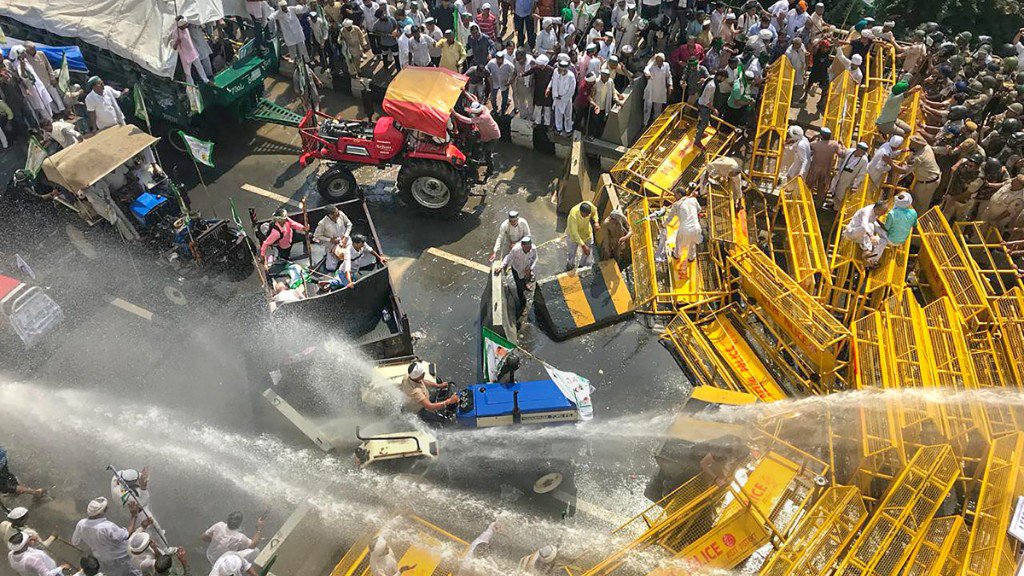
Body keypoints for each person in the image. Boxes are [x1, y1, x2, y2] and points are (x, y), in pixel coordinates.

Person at [72, 497, 147, 576]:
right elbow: (127, 535)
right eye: (105, 508)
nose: (107, 508)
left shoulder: (81, 524)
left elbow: (75, 542)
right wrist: (134, 515)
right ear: (100, 513)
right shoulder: (107, 527)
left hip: (103, 558)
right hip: (122, 556)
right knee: (135, 571)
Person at [893, 135, 942, 213]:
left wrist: (890, 163)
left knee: (921, 205)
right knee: (915, 197)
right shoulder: (926, 147)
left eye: (912, 143)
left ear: (916, 146)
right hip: (930, 177)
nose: (909, 144)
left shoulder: (918, 158)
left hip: (928, 183)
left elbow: (904, 171)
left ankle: (917, 220)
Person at [667, 186, 703, 279]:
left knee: (679, 244)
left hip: (685, 229)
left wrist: (663, 225)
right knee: (692, 243)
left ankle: (676, 255)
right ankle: (691, 258)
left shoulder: (676, 205)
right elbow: (699, 210)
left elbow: (669, 218)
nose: (674, 197)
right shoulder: (693, 200)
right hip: (696, 227)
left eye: (675, 195)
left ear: (679, 194)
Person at [842, 200, 888, 268]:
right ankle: (866, 251)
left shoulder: (875, 211)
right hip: (852, 233)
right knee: (870, 226)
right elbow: (864, 225)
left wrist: (883, 226)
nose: (884, 214)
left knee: (884, 241)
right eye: (884, 212)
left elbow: (874, 220)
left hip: (863, 237)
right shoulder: (866, 211)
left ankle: (871, 260)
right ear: (878, 210)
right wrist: (871, 236)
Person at [23, 43, 64, 115]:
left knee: (56, 96)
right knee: (48, 100)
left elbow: (48, 66)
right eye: (32, 49)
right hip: (38, 84)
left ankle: (63, 110)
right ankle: (57, 113)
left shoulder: (40, 54)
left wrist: (53, 78)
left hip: (48, 80)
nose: (34, 50)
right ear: (27, 50)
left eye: (34, 48)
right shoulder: (25, 59)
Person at [499, 237, 537, 311]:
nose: (529, 250)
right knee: (520, 289)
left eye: (530, 247)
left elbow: (535, 259)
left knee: (526, 280)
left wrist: (530, 268)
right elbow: (508, 257)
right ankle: (523, 305)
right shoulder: (515, 250)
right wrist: (501, 266)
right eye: (527, 248)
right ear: (522, 246)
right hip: (517, 270)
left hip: (527, 269)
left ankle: (526, 286)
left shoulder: (533, 249)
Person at [828, 142, 870, 209]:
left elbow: (861, 174)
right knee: (835, 189)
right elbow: (841, 159)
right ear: (857, 149)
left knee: (842, 194)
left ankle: (837, 209)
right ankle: (834, 204)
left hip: (850, 178)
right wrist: (838, 168)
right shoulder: (849, 151)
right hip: (841, 174)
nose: (861, 154)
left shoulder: (864, 160)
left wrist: (855, 185)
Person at [168, 17, 210, 85]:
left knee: (199, 67)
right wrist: (177, 42)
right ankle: (191, 85)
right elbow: (174, 47)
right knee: (188, 73)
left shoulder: (186, 30)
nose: (186, 26)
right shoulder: (176, 33)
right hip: (185, 56)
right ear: (180, 26)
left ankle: (206, 80)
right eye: (184, 25)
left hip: (193, 52)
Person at [806, 128, 843, 198]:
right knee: (822, 188)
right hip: (826, 170)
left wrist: (814, 137)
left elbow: (807, 147)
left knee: (809, 185)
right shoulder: (834, 144)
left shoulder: (815, 144)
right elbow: (841, 154)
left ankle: (805, 198)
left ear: (821, 136)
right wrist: (842, 145)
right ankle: (819, 203)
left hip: (814, 169)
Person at [565, 201, 600, 270]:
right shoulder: (573, 215)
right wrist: (583, 246)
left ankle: (582, 266)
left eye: (588, 214)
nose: (587, 216)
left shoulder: (588, 205)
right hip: (573, 236)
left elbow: (595, 211)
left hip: (587, 233)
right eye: (585, 215)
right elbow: (575, 233)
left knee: (587, 252)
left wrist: (596, 221)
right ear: (581, 211)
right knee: (572, 253)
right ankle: (570, 265)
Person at [694, 69, 723, 149]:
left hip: (701, 102)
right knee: (704, 123)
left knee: (701, 120)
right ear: (720, 76)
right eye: (723, 78)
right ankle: (697, 141)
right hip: (704, 106)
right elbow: (706, 100)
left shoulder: (712, 77)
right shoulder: (712, 86)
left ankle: (700, 133)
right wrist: (714, 109)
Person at [547, 60, 576, 136]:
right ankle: (558, 129)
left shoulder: (571, 76)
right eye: (559, 69)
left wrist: (563, 98)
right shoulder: (556, 72)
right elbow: (553, 81)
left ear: (565, 69)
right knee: (558, 115)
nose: (559, 70)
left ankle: (568, 130)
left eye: (560, 69)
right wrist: (554, 93)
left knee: (567, 115)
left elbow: (571, 90)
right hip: (557, 98)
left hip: (566, 99)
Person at [524, 55, 553, 127]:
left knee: (547, 108)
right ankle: (537, 121)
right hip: (538, 90)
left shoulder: (551, 70)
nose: (537, 65)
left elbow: (553, 79)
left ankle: (547, 123)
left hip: (547, 92)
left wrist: (549, 88)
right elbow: (529, 71)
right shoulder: (536, 68)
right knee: (538, 106)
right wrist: (523, 74)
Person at [643, 53, 672, 124]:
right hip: (651, 91)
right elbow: (646, 69)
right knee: (647, 108)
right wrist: (647, 74)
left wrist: (670, 85)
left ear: (663, 61)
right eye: (657, 60)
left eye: (660, 61)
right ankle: (645, 123)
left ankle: (655, 124)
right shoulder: (652, 65)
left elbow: (669, 76)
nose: (658, 62)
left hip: (660, 91)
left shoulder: (666, 65)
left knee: (658, 110)